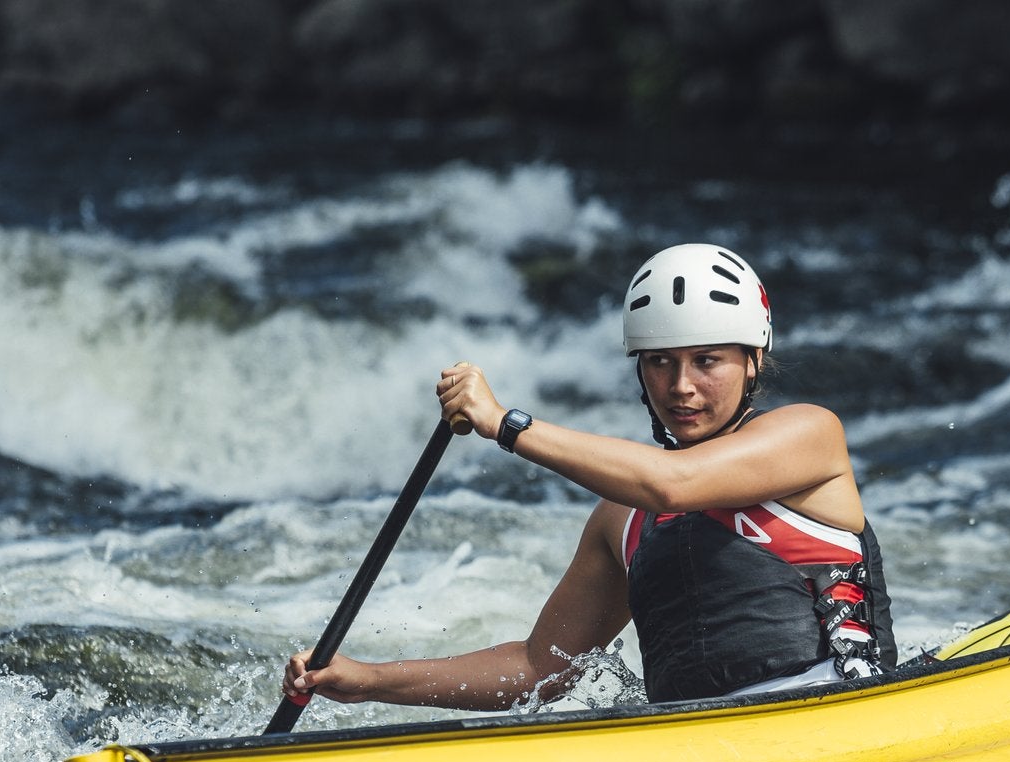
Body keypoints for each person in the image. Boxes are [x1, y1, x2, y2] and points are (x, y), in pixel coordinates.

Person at [282, 242, 894, 710]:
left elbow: (673, 483)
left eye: (707, 361)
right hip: (697, 747)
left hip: (832, 711)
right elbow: (535, 668)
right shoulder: (622, 521)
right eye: (660, 363)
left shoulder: (808, 436)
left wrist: (505, 424)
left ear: (753, 361)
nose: (681, 387)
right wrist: (369, 681)